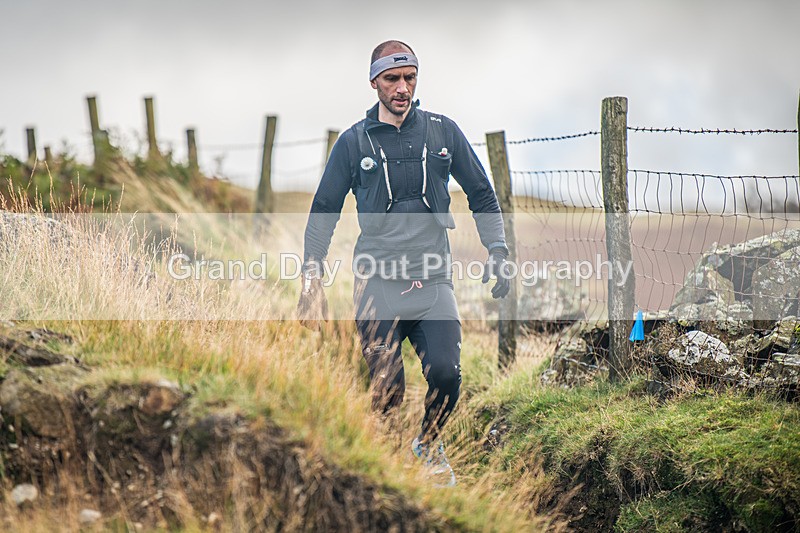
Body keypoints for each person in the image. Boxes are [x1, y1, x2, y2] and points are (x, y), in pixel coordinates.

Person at [299, 40, 511, 487]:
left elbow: (482, 193)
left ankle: (428, 445)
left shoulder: (442, 132)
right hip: (376, 280)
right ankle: (377, 461)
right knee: (388, 387)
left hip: (433, 278)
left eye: (409, 78)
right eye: (392, 79)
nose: (402, 88)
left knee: (447, 375)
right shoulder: (353, 142)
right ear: (374, 81)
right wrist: (311, 276)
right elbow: (324, 210)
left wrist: (498, 251)